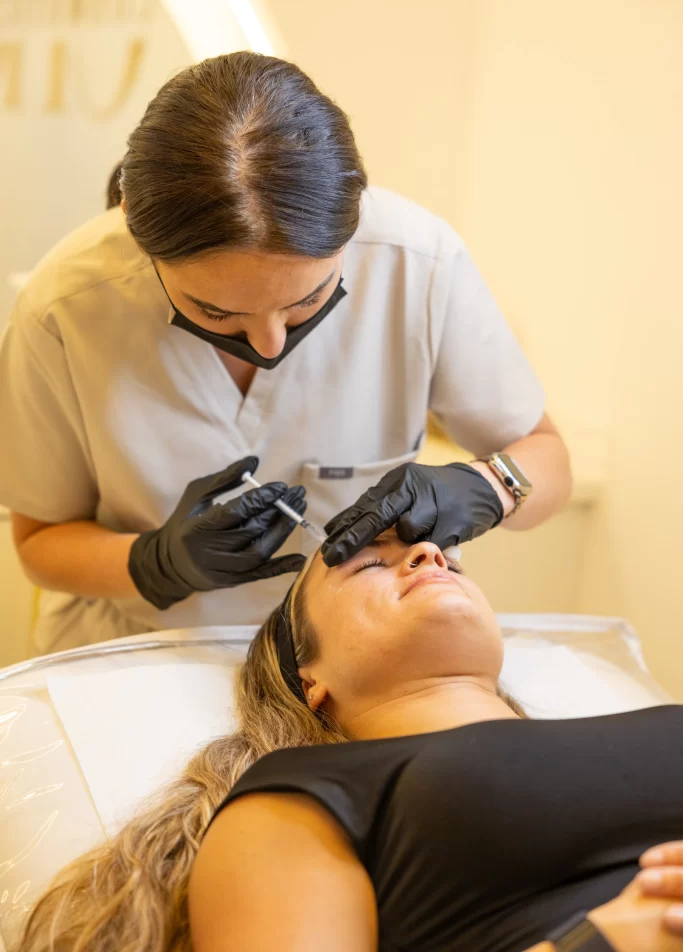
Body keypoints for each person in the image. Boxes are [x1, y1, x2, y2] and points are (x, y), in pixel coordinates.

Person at [0, 50, 571, 654]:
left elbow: (550, 460)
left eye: (308, 300)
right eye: (215, 312)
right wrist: (154, 562)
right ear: (142, 247)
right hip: (141, 652)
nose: (271, 343)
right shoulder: (65, 305)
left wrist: (490, 486)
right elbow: (40, 543)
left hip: (368, 660)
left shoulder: (419, 263)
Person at [19, 534, 683, 952]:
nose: (430, 553)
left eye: (443, 553)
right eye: (369, 561)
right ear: (309, 679)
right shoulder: (305, 797)